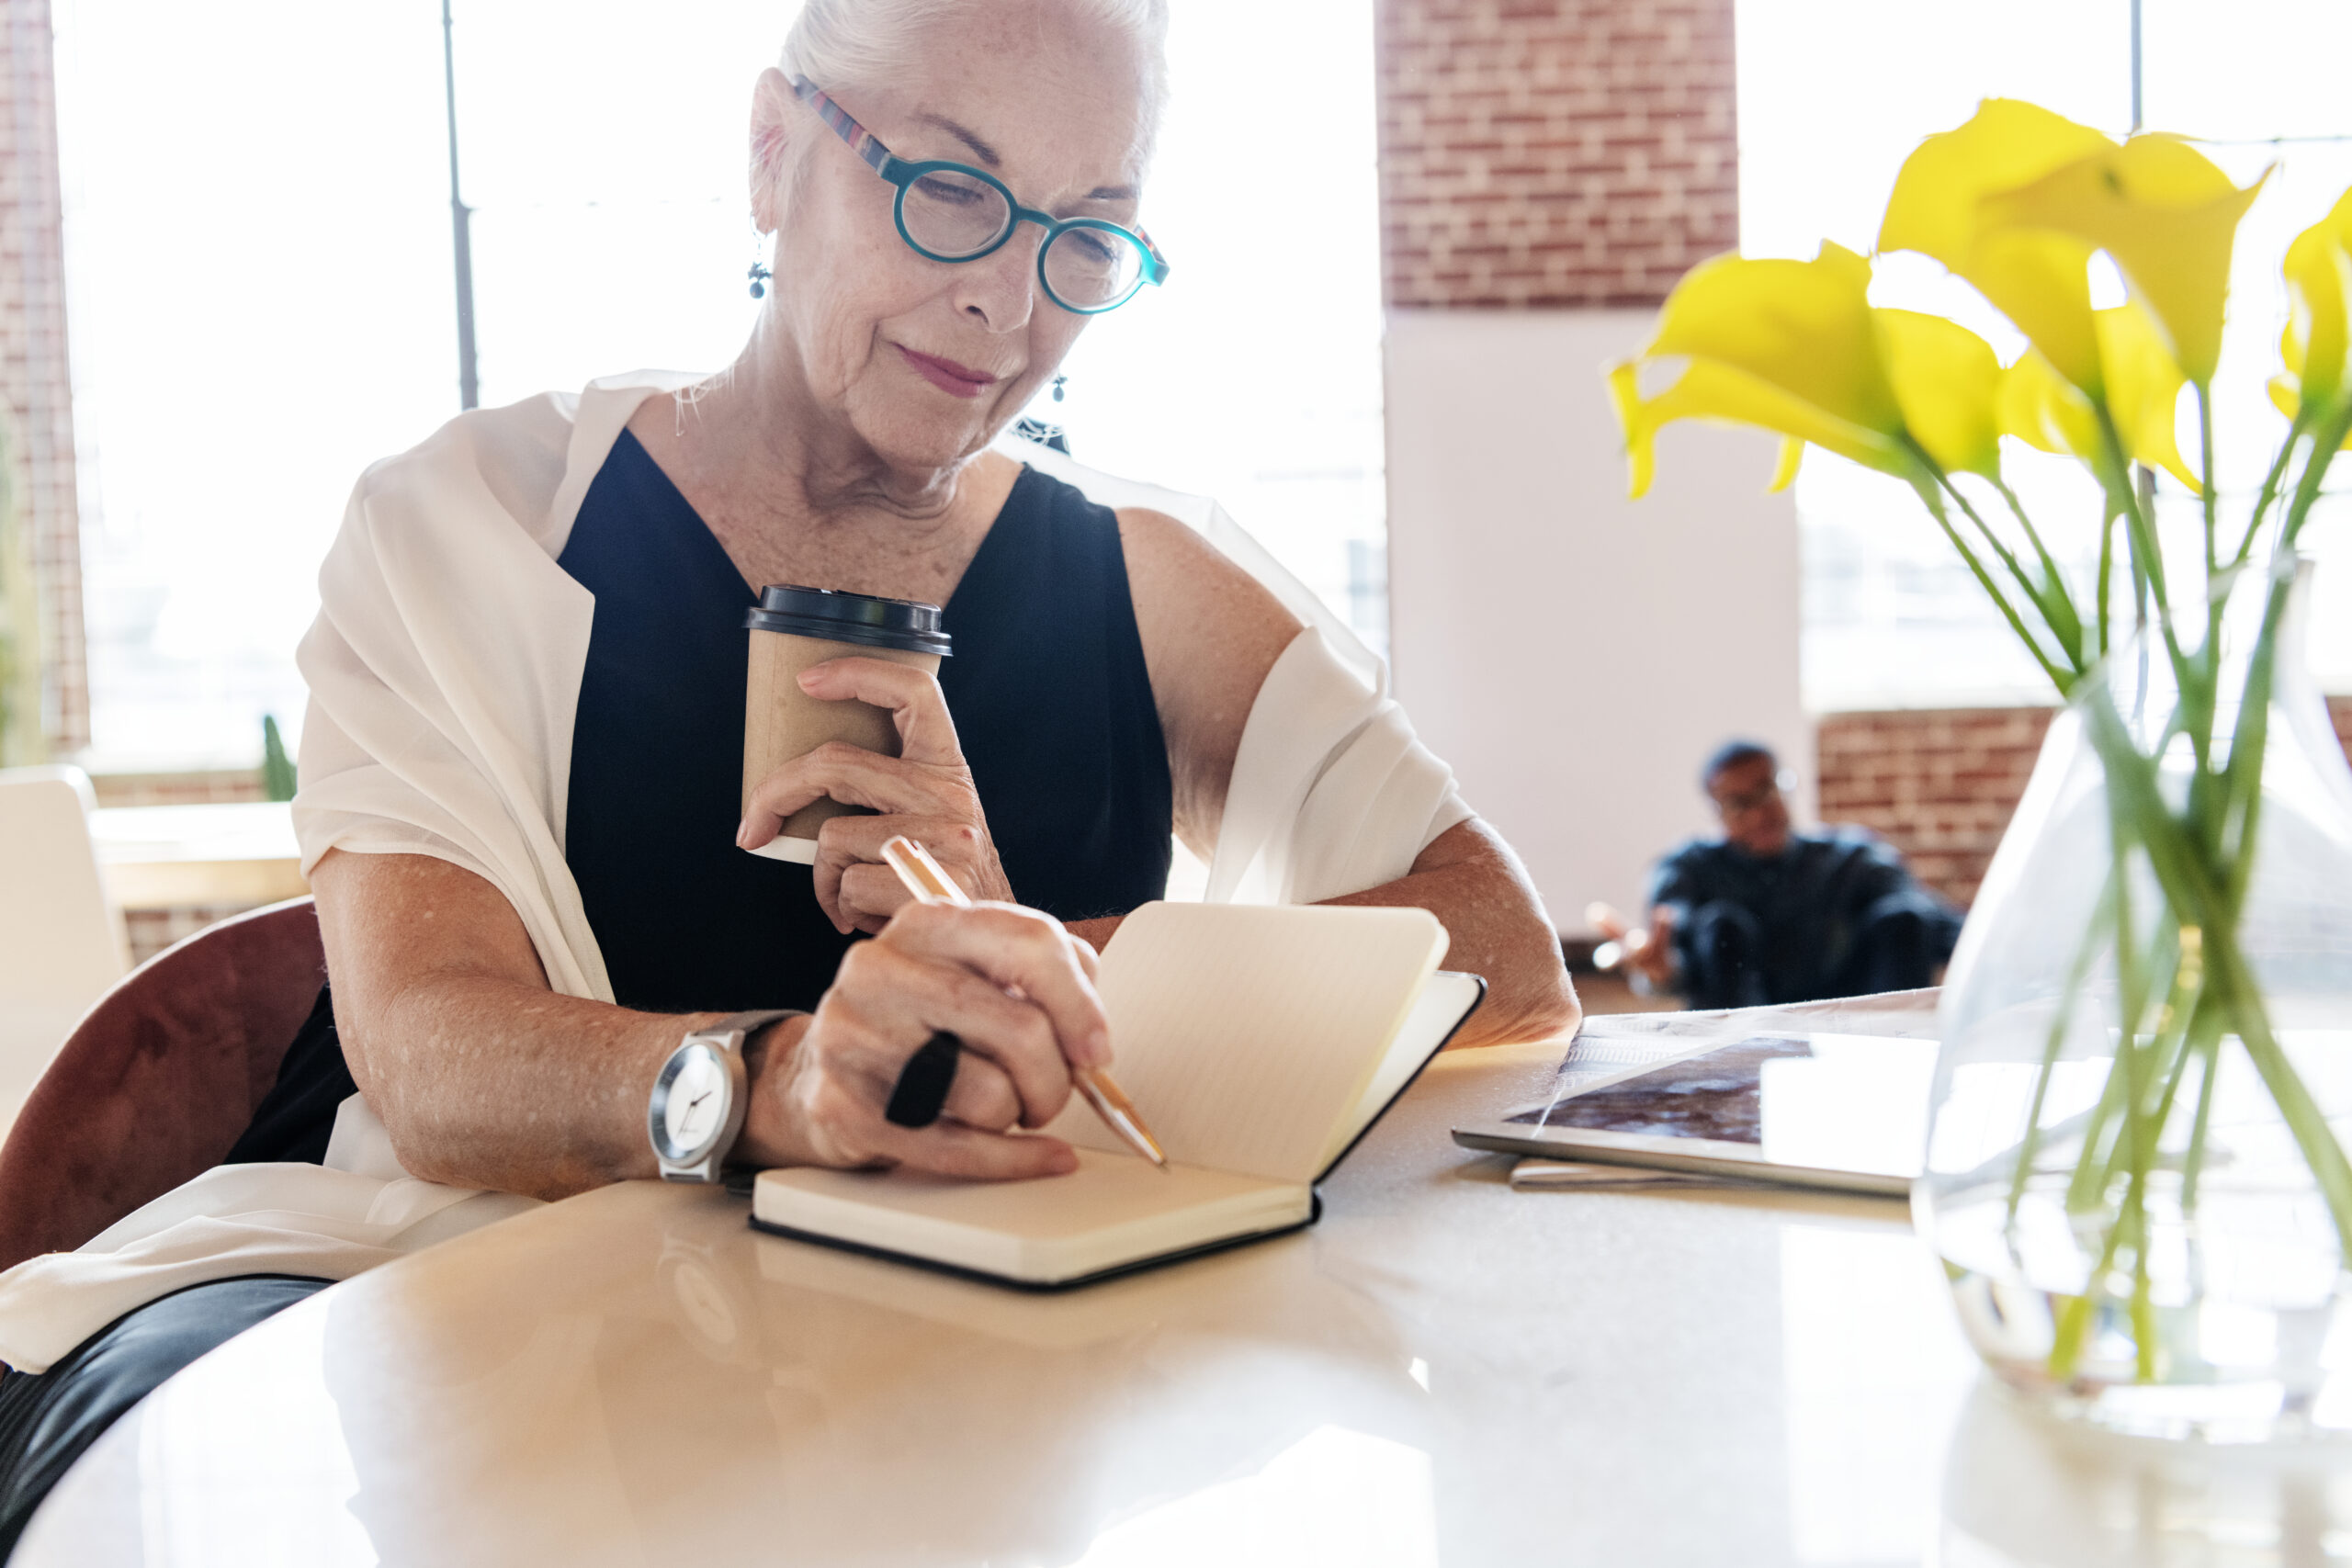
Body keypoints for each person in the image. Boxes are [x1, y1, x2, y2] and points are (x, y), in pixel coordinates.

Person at [0, 0, 1577, 1544]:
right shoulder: (468, 523)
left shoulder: (1143, 580)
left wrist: (1030, 962)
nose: (1010, 306)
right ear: (775, 152)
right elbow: (421, 1051)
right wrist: (778, 1080)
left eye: (1084, 236)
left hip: (974, 1339)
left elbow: (1505, 957)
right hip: (411, 1278)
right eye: (953, 190)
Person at [1595, 739, 1959, 1010]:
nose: (1759, 813)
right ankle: (1730, 1079)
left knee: (1904, 916)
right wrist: (1661, 971)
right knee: (1721, 925)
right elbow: (1671, 944)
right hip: (1738, 1044)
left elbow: (1936, 921)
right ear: (1716, 812)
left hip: (1855, 1026)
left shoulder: (1848, 858)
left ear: (1785, 786)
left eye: (1767, 790)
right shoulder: (1689, 869)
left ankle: (1901, 1057)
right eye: (1739, 804)